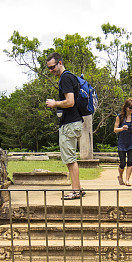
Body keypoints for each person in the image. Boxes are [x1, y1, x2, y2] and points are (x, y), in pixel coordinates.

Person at [44, 52, 85, 199]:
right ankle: (78, 188)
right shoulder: (70, 76)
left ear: (60, 63)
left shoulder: (66, 78)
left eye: (52, 67)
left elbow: (70, 101)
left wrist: (55, 103)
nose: (51, 70)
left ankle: (75, 191)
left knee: (70, 159)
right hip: (73, 122)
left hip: (70, 124)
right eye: (49, 68)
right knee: (70, 158)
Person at [114, 98, 132, 185]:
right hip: (122, 142)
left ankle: (127, 180)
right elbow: (115, 129)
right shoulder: (119, 117)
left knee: (130, 162)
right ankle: (120, 176)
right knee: (122, 163)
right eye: (130, 107)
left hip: (131, 142)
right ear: (126, 107)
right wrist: (122, 128)